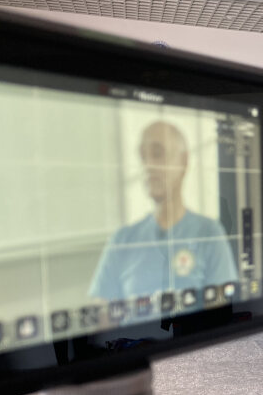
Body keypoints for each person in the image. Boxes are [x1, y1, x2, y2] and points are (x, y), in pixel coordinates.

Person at [89, 120, 238, 307]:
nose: (148, 165)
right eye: (143, 156)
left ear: (183, 161)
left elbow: (221, 311)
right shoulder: (122, 240)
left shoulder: (209, 233)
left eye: (158, 154)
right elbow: (100, 318)